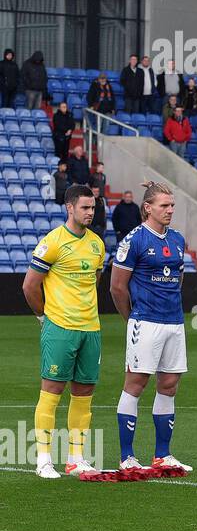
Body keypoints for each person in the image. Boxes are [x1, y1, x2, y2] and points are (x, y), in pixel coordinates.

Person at [22, 184, 107, 478]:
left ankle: (76, 458)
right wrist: (45, 317)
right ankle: (43, 459)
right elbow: (30, 285)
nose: (90, 213)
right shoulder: (53, 242)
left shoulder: (97, 244)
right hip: (60, 328)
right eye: (85, 207)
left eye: (93, 208)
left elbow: (94, 279)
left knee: (84, 393)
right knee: (52, 390)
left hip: (91, 329)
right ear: (69, 207)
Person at [109, 180, 193, 473]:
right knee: (135, 384)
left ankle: (162, 455)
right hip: (145, 322)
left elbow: (179, 278)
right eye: (164, 206)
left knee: (169, 385)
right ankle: (127, 456)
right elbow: (117, 287)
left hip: (174, 322)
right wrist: (132, 318)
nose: (170, 210)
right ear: (148, 208)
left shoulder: (178, 239)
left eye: (172, 205)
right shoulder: (134, 240)